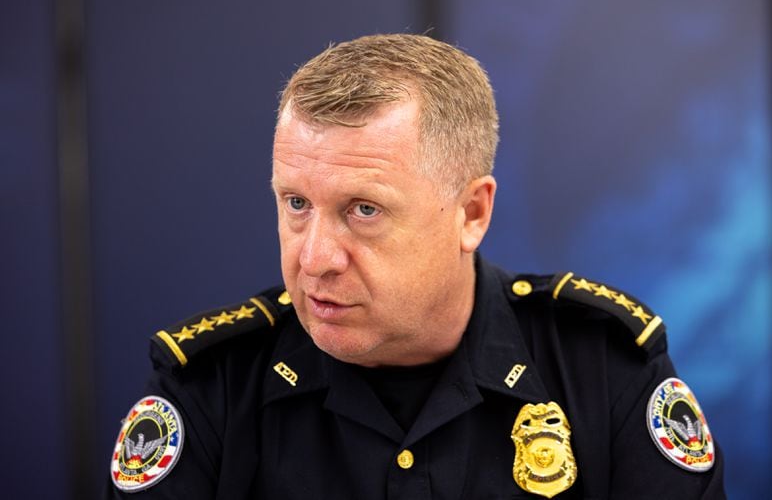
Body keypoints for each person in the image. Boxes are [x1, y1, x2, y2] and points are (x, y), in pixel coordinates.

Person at [105, 34, 726, 499]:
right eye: (296, 203)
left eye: (364, 209)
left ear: (471, 213)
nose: (315, 258)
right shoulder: (212, 388)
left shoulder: (601, 368)